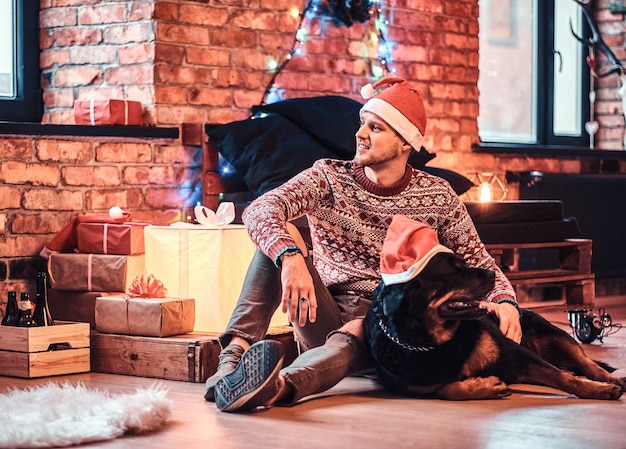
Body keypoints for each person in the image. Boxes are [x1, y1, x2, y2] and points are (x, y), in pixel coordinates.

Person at [204, 76, 522, 412]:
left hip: (391, 326)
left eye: (376, 127)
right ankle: (230, 364)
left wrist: (506, 301)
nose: (360, 134)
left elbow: (479, 262)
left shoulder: (438, 195)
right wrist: (292, 257)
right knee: (275, 245)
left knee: (358, 326)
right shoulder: (327, 176)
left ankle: (278, 387)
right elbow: (261, 209)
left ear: (405, 143)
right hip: (321, 311)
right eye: (362, 123)